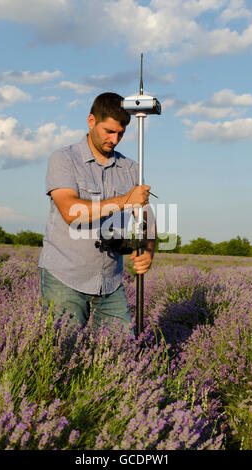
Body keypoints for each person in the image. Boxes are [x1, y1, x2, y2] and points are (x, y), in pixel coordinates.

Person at [38, 92, 156, 334]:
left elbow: (146, 220)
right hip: (65, 277)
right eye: (108, 131)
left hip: (110, 281)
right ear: (91, 121)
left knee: (121, 353)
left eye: (120, 134)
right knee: (63, 353)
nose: (114, 139)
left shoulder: (132, 169)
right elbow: (71, 211)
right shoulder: (64, 159)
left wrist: (148, 250)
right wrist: (125, 200)